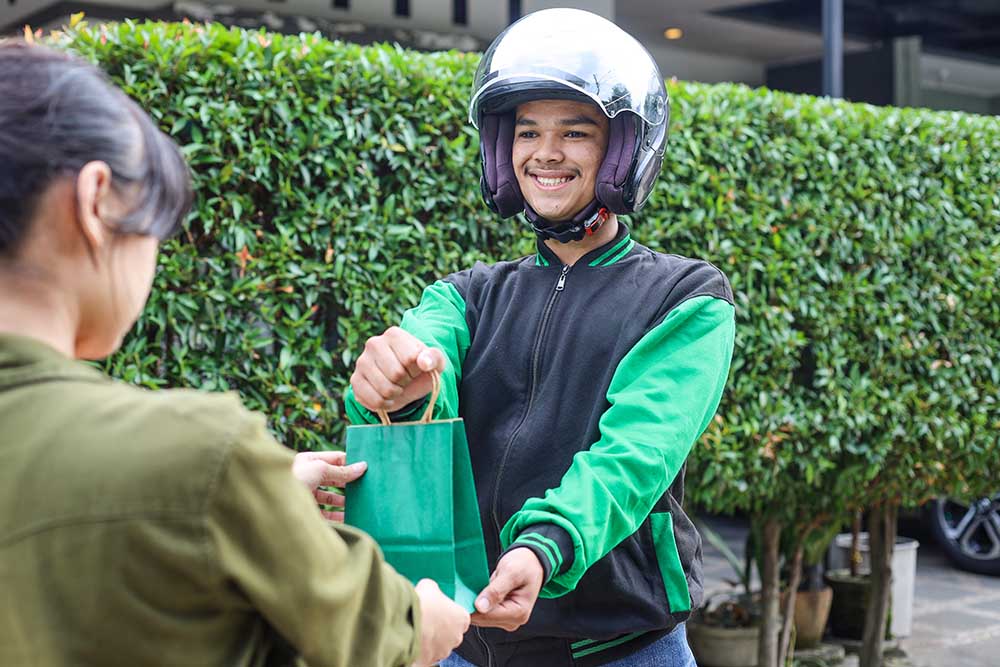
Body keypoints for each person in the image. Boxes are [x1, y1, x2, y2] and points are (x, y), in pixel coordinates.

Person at [0, 41, 470, 667]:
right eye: (157, 226)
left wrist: (256, 491)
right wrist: (427, 621)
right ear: (96, 201)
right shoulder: (201, 453)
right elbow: (379, 632)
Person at [346, 9, 736, 667]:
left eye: (575, 132)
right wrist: (397, 386)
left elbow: (635, 455)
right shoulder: (466, 295)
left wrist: (543, 544)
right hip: (462, 645)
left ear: (620, 152)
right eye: (527, 132)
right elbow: (421, 360)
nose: (545, 153)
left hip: (622, 649)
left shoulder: (686, 299)